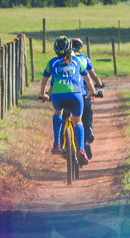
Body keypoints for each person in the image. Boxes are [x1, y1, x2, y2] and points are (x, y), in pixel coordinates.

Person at [38, 35, 92, 165]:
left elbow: (45, 81)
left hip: (58, 96)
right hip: (76, 95)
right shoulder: (77, 61)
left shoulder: (51, 63)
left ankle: (56, 143)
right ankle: (81, 149)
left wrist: (43, 94)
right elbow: (88, 79)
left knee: (58, 113)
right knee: (78, 121)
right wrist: (92, 92)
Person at [71, 37, 104, 159]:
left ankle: (63, 142)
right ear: (80, 47)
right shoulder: (84, 59)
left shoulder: (66, 59)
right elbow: (92, 75)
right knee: (86, 113)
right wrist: (99, 85)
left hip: (65, 93)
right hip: (82, 92)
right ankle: (86, 139)